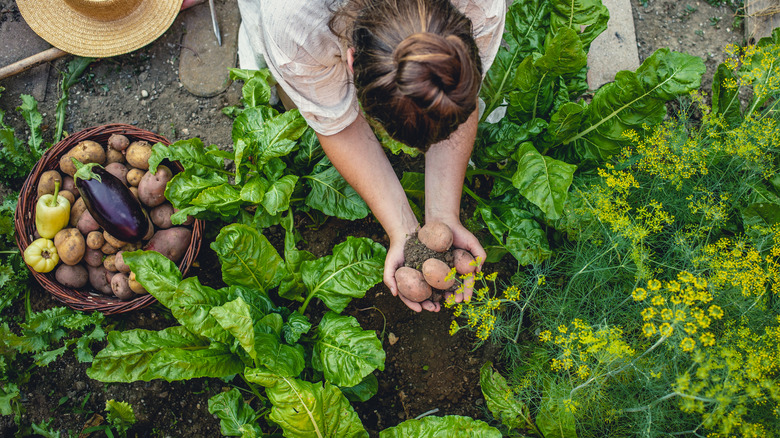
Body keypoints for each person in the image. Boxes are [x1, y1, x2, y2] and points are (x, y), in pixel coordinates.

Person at [232, 0, 506, 313]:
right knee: (295, 87)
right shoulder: (294, 24)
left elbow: (454, 97)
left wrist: (441, 216)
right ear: (352, 62)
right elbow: (338, 125)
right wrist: (400, 228)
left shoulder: (480, 6)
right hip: (293, 22)